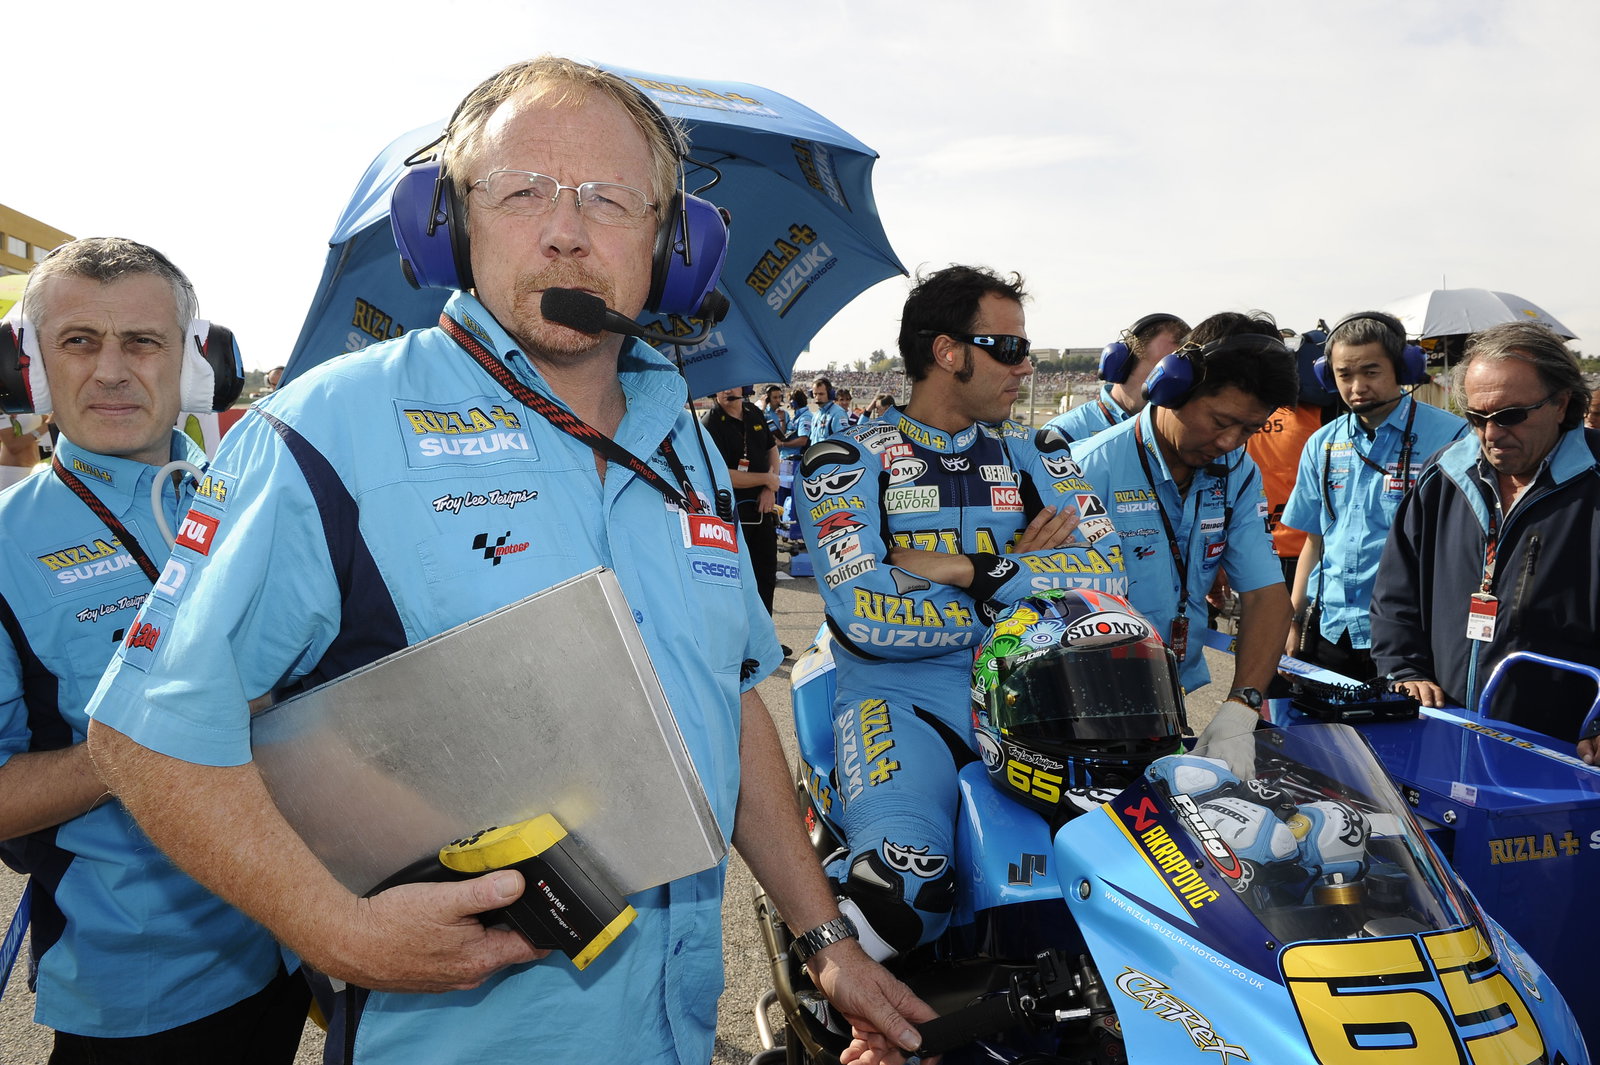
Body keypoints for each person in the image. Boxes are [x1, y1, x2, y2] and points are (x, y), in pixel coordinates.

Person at [83, 57, 928, 1065]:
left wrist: (824, 937)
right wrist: (333, 930)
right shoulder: (326, 431)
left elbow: (728, 693)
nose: (564, 228)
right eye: (520, 191)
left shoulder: (686, 442)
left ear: (676, 244)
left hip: (669, 1031)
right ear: (448, 225)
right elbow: (145, 734)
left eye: (610, 198)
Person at [0, 238, 307, 1061]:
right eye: (78, 341)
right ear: (32, 370)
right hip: (140, 995)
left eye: (141, 341)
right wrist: (149, 736)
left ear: (194, 366)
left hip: (293, 940)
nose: (110, 370)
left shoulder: (263, 498)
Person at [798, 264, 1127, 956]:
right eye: (1008, 348)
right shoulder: (845, 460)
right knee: (905, 894)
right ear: (949, 352)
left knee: (1133, 876)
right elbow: (866, 613)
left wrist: (970, 570)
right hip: (900, 706)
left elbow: (1109, 581)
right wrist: (1028, 590)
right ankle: (835, 994)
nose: (1026, 365)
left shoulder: (1041, 454)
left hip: (1040, 711)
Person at [1069, 311, 1296, 764]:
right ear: (1172, 387)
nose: (1231, 441)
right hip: (1078, 705)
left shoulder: (1238, 471)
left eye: (1249, 430)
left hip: (1169, 701)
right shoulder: (1087, 469)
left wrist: (1241, 707)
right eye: (1220, 421)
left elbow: (1267, 593)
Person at [1370, 321, 1600, 759]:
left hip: (1566, 750)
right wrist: (1403, 668)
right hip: (1444, 730)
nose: (1491, 434)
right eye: (1477, 418)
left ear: (1562, 403)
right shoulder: (1444, 473)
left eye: (1510, 416)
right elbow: (1396, 590)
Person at [1282, 313, 1466, 678]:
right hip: (1331, 629)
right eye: (1344, 375)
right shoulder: (1322, 443)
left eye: (1371, 371)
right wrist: (1293, 617)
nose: (1357, 387)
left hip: (1412, 637)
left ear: (1402, 369)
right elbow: (1314, 541)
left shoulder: (1454, 438)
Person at [1042, 312, 1188, 443]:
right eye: (1160, 372)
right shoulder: (1062, 434)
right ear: (1122, 365)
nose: (1170, 387)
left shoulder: (1189, 438)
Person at [703, 385, 781, 612]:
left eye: (732, 385)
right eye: (721, 387)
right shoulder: (710, 424)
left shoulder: (754, 413)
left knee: (765, 574)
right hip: (731, 516)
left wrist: (769, 488)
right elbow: (723, 475)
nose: (727, 391)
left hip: (763, 510)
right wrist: (766, 480)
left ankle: (767, 641)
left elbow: (771, 449)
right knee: (738, 581)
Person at [1, 411, 49, 490]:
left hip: (34, 469)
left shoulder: (34, 403)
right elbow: (12, 446)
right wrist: (47, 426)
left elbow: (50, 419)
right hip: (12, 473)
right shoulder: (4, 406)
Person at [809, 375, 851, 443]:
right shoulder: (816, 415)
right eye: (815, 394)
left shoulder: (838, 413)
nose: (817, 397)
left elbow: (843, 440)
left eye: (821, 394)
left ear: (830, 394)